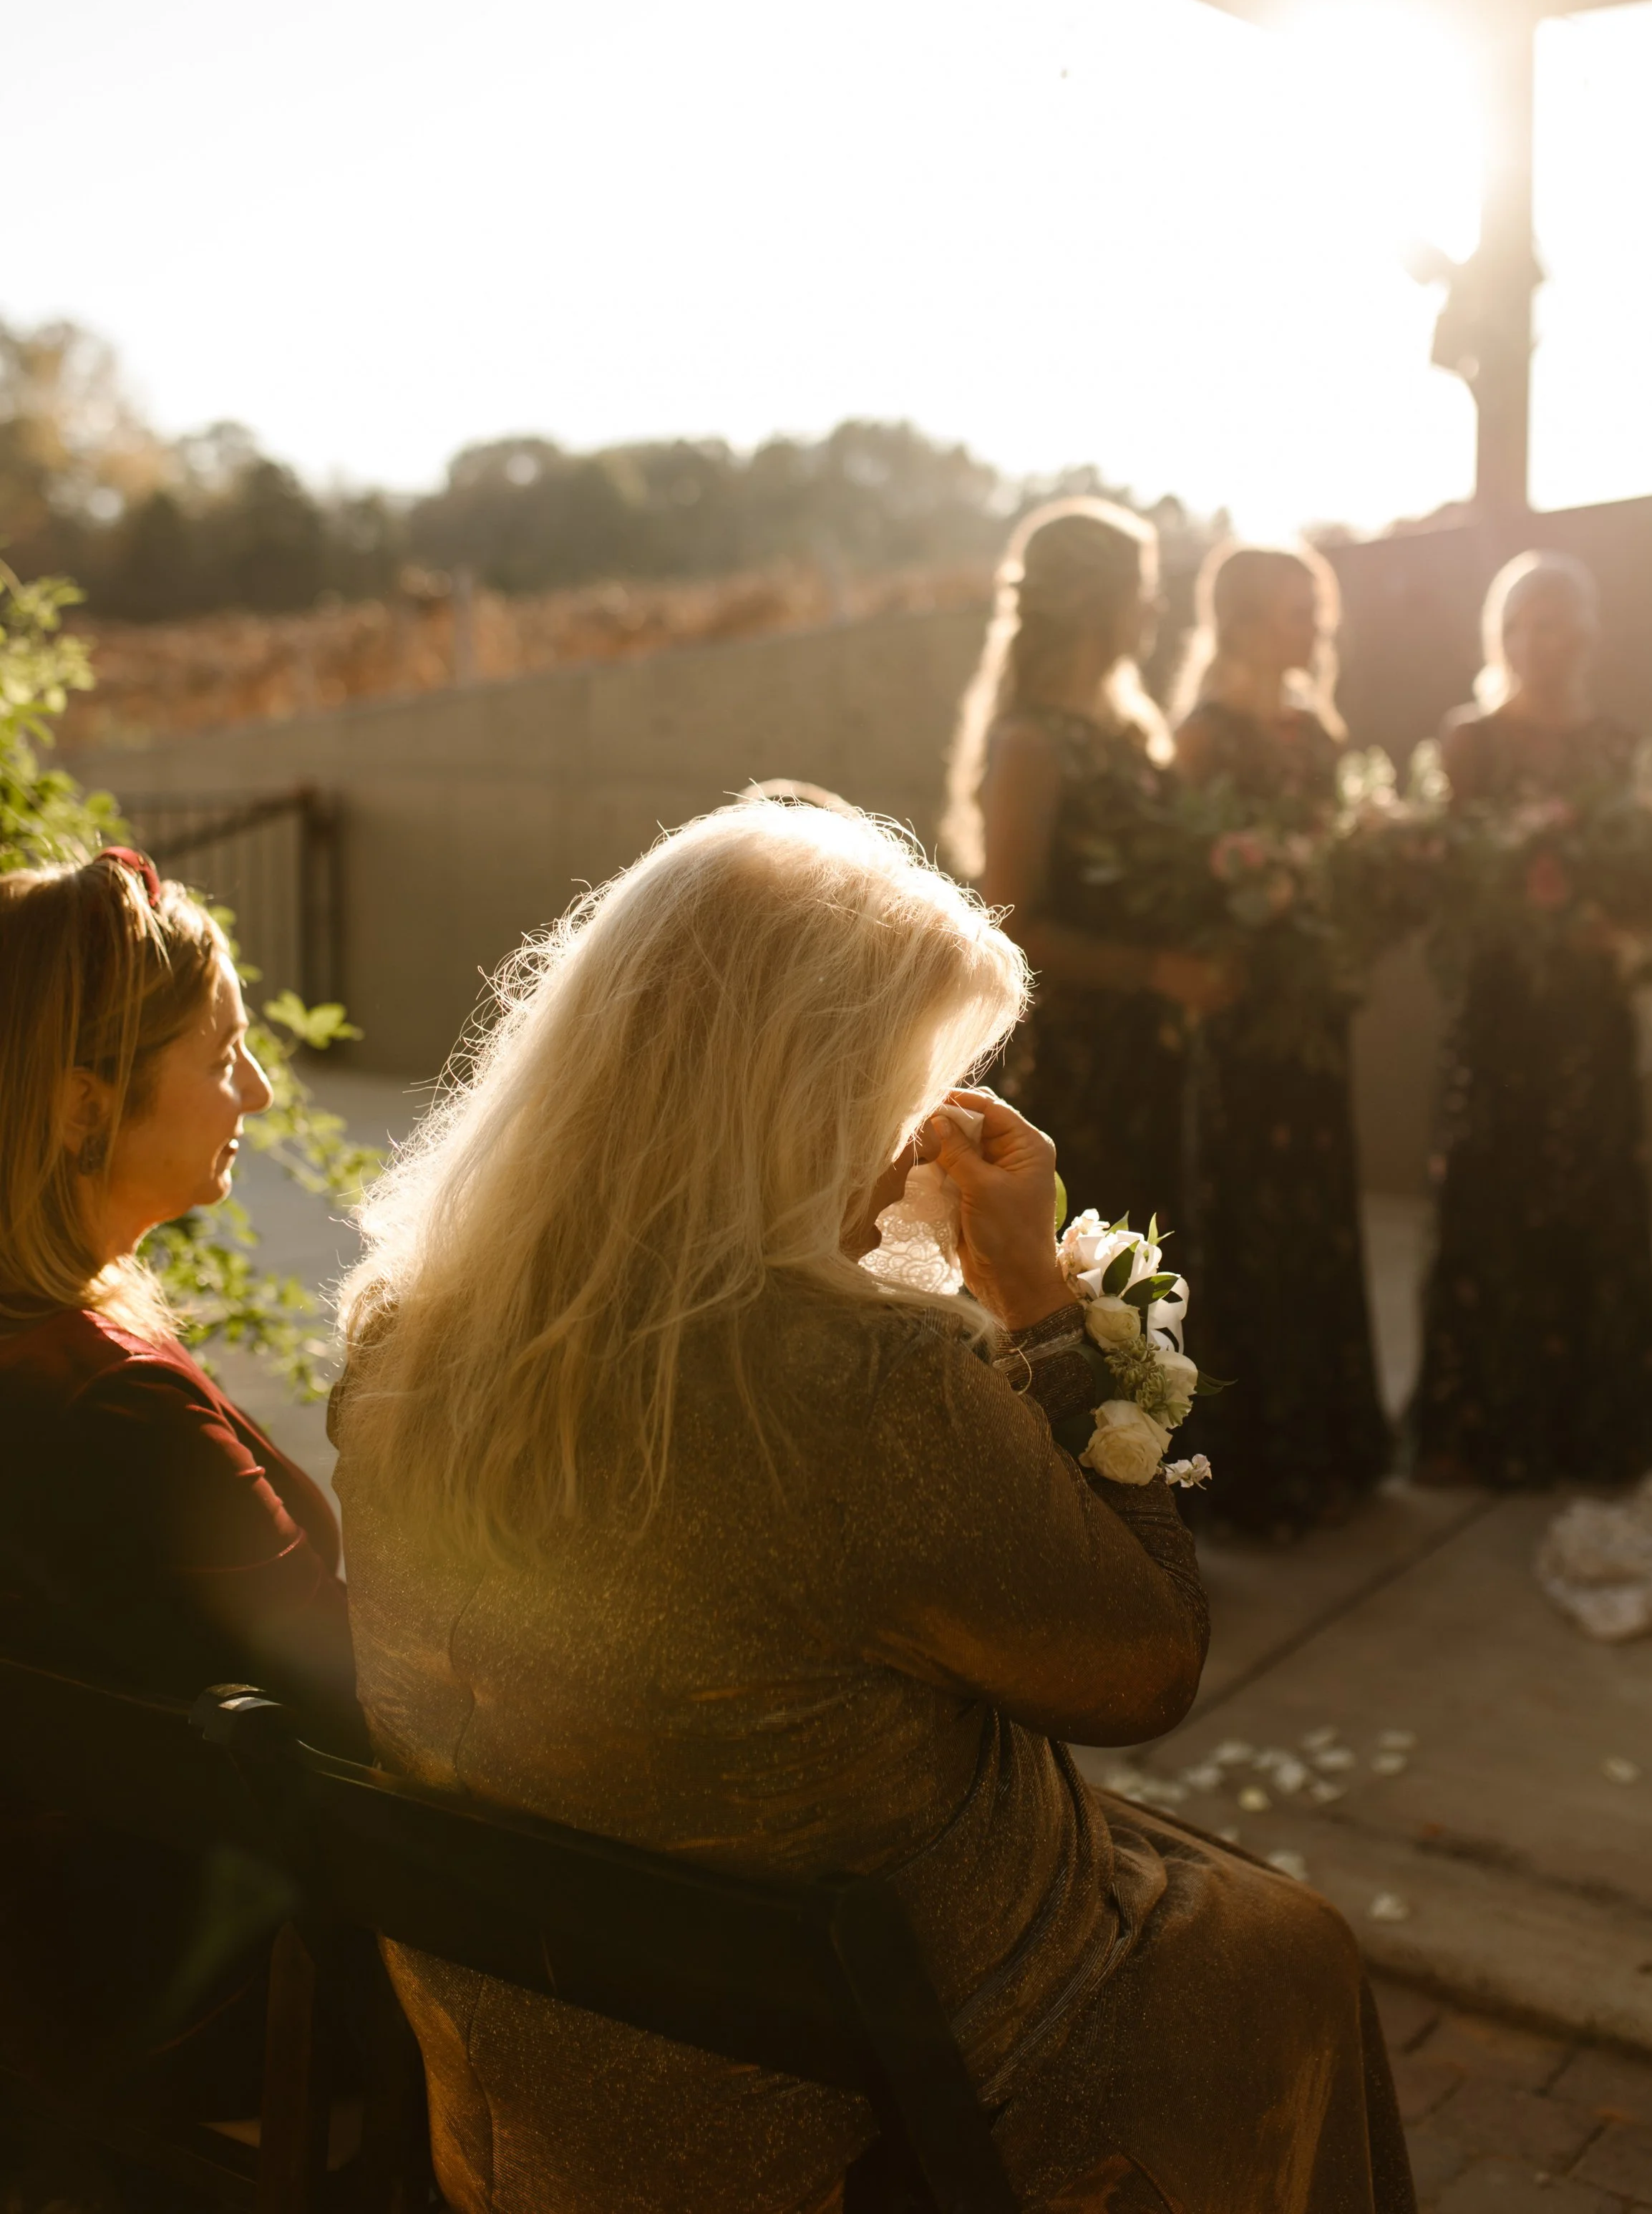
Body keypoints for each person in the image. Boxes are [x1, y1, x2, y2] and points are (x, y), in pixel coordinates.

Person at [331, 800, 1414, 2214]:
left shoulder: (405, 1333)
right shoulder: (863, 1386)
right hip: (833, 2118)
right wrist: (1038, 1307)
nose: (915, 1157)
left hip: (536, 2088)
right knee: (1290, 1949)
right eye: (909, 1098)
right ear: (798, 1100)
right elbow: (1141, 1665)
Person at [0, 846, 359, 2106]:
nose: (254, 1091)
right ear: (83, 1108)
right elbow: (359, 1703)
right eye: (220, 1059)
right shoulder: (117, 1406)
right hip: (202, 2009)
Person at [1412, 554, 1652, 1487]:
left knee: (1594, 1191)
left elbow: (1651, 881)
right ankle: (1487, 1425)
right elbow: (1446, 881)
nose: (1544, 641)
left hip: (1591, 1017)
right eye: (1527, 623)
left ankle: (1597, 1423)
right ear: (1502, 635)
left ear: (1589, 634)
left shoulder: (1618, 746)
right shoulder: (1470, 741)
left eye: (1561, 622)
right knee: (1492, 1192)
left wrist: (1622, 926)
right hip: (1499, 1015)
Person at [1171, 542, 1390, 1535]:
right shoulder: (1202, 737)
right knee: (1247, 1221)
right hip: (1240, 1018)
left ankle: (1332, 1446)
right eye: (1298, 608)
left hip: (1315, 1017)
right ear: (1246, 618)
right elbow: (1180, 881)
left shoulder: (1321, 733)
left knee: (1317, 1213)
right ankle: (1254, 1464)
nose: (1316, 627)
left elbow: (1345, 868)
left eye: (1318, 608)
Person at [941, 497, 1230, 1249]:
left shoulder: (1130, 730)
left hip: (1151, 1049)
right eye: (1144, 587)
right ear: (1098, 601)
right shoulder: (1030, 744)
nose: (1157, 606)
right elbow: (1010, 928)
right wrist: (1155, 970)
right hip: (1078, 1062)